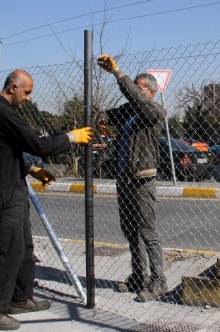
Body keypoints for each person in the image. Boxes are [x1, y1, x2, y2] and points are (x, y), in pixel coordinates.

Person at [0, 70, 93, 330]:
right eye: (26, 92)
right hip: (2, 192)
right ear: (13, 87)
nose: (29, 98)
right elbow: (38, 145)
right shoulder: (3, 113)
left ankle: (20, 296)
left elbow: (6, 151)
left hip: (9, 187)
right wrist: (71, 137)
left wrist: (31, 169)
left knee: (24, 246)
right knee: (10, 250)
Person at [97, 54, 168, 302]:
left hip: (142, 179)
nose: (135, 94)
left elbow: (134, 99)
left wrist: (118, 73)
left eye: (139, 90)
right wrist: (101, 118)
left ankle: (159, 281)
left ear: (150, 93)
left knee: (148, 232)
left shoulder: (154, 111)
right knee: (130, 231)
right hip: (124, 178)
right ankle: (138, 277)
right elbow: (112, 113)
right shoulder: (132, 112)